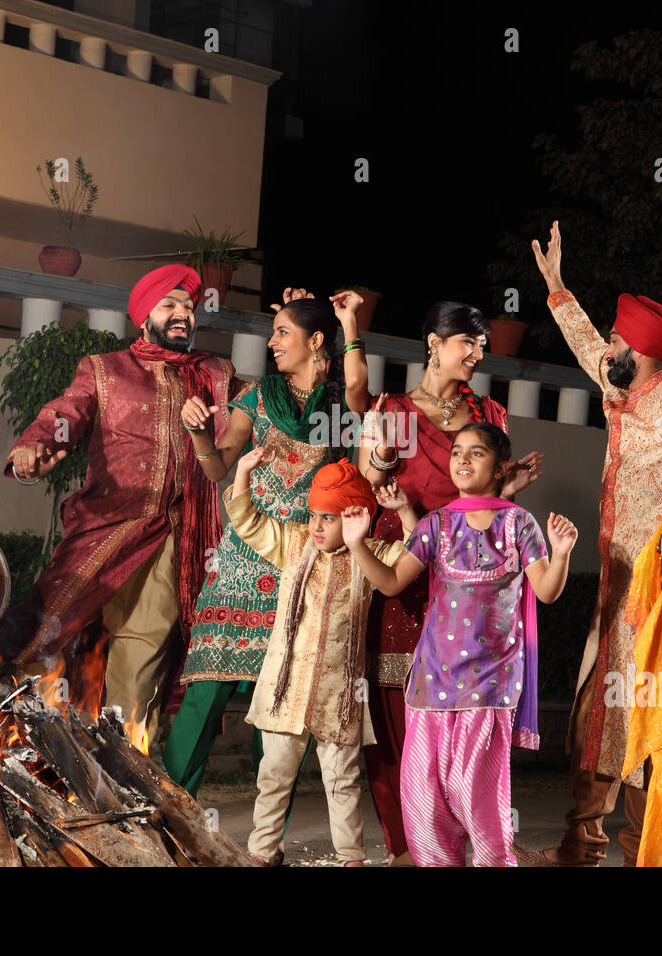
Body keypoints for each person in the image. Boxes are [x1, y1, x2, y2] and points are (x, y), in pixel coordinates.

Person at [530, 220, 662, 866]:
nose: (605, 348)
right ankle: (580, 845)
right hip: (616, 592)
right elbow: (586, 346)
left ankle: (644, 853)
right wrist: (558, 288)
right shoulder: (622, 385)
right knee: (597, 720)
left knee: (645, 726)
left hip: (653, 591)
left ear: (638, 352)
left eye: (615, 339)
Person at [0, 264, 235, 744]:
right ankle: (16, 750)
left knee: (142, 654)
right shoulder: (105, 370)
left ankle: (126, 769)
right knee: (44, 638)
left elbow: (253, 422)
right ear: (143, 317)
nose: (182, 313)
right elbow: (65, 414)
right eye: (168, 305)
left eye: (187, 305)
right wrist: (35, 448)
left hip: (170, 537)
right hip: (101, 532)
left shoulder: (214, 374)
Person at [163, 291, 371, 796]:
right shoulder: (255, 398)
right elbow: (216, 467)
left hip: (301, 564)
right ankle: (167, 809)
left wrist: (350, 323)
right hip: (241, 561)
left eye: (282, 332)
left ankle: (265, 835)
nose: (271, 342)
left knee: (278, 697)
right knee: (205, 690)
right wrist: (198, 434)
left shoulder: (339, 408)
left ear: (315, 341)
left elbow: (360, 386)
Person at [356, 301, 542, 865]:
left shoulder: (489, 411)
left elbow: (494, 499)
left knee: (472, 717)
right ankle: (404, 845)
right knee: (395, 701)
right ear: (434, 343)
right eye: (468, 342)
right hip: (405, 557)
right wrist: (383, 457)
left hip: (468, 580)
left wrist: (511, 498)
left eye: (482, 345)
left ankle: (475, 841)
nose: (478, 354)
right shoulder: (390, 408)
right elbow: (368, 478)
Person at [346, 423, 577, 866]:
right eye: (457, 452)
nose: (463, 461)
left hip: (489, 688)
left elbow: (546, 591)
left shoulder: (517, 524)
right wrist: (357, 544)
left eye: (476, 453)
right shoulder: (437, 523)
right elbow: (393, 582)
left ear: (500, 467)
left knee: (480, 800)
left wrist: (562, 552)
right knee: (424, 803)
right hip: (431, 686)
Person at [226, 449, 417, 865]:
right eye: (313, 514)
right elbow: (248, 522)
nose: (315, 525)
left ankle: (351, 856)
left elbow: (412, 557)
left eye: (328, 517)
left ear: (355, 518)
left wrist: (403, 511)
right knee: (273, 777)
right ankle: (261, 851)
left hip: (340, 695)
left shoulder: (370, 555)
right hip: (286, 689)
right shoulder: (294, 543)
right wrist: (242, 471)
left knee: (343, 781)